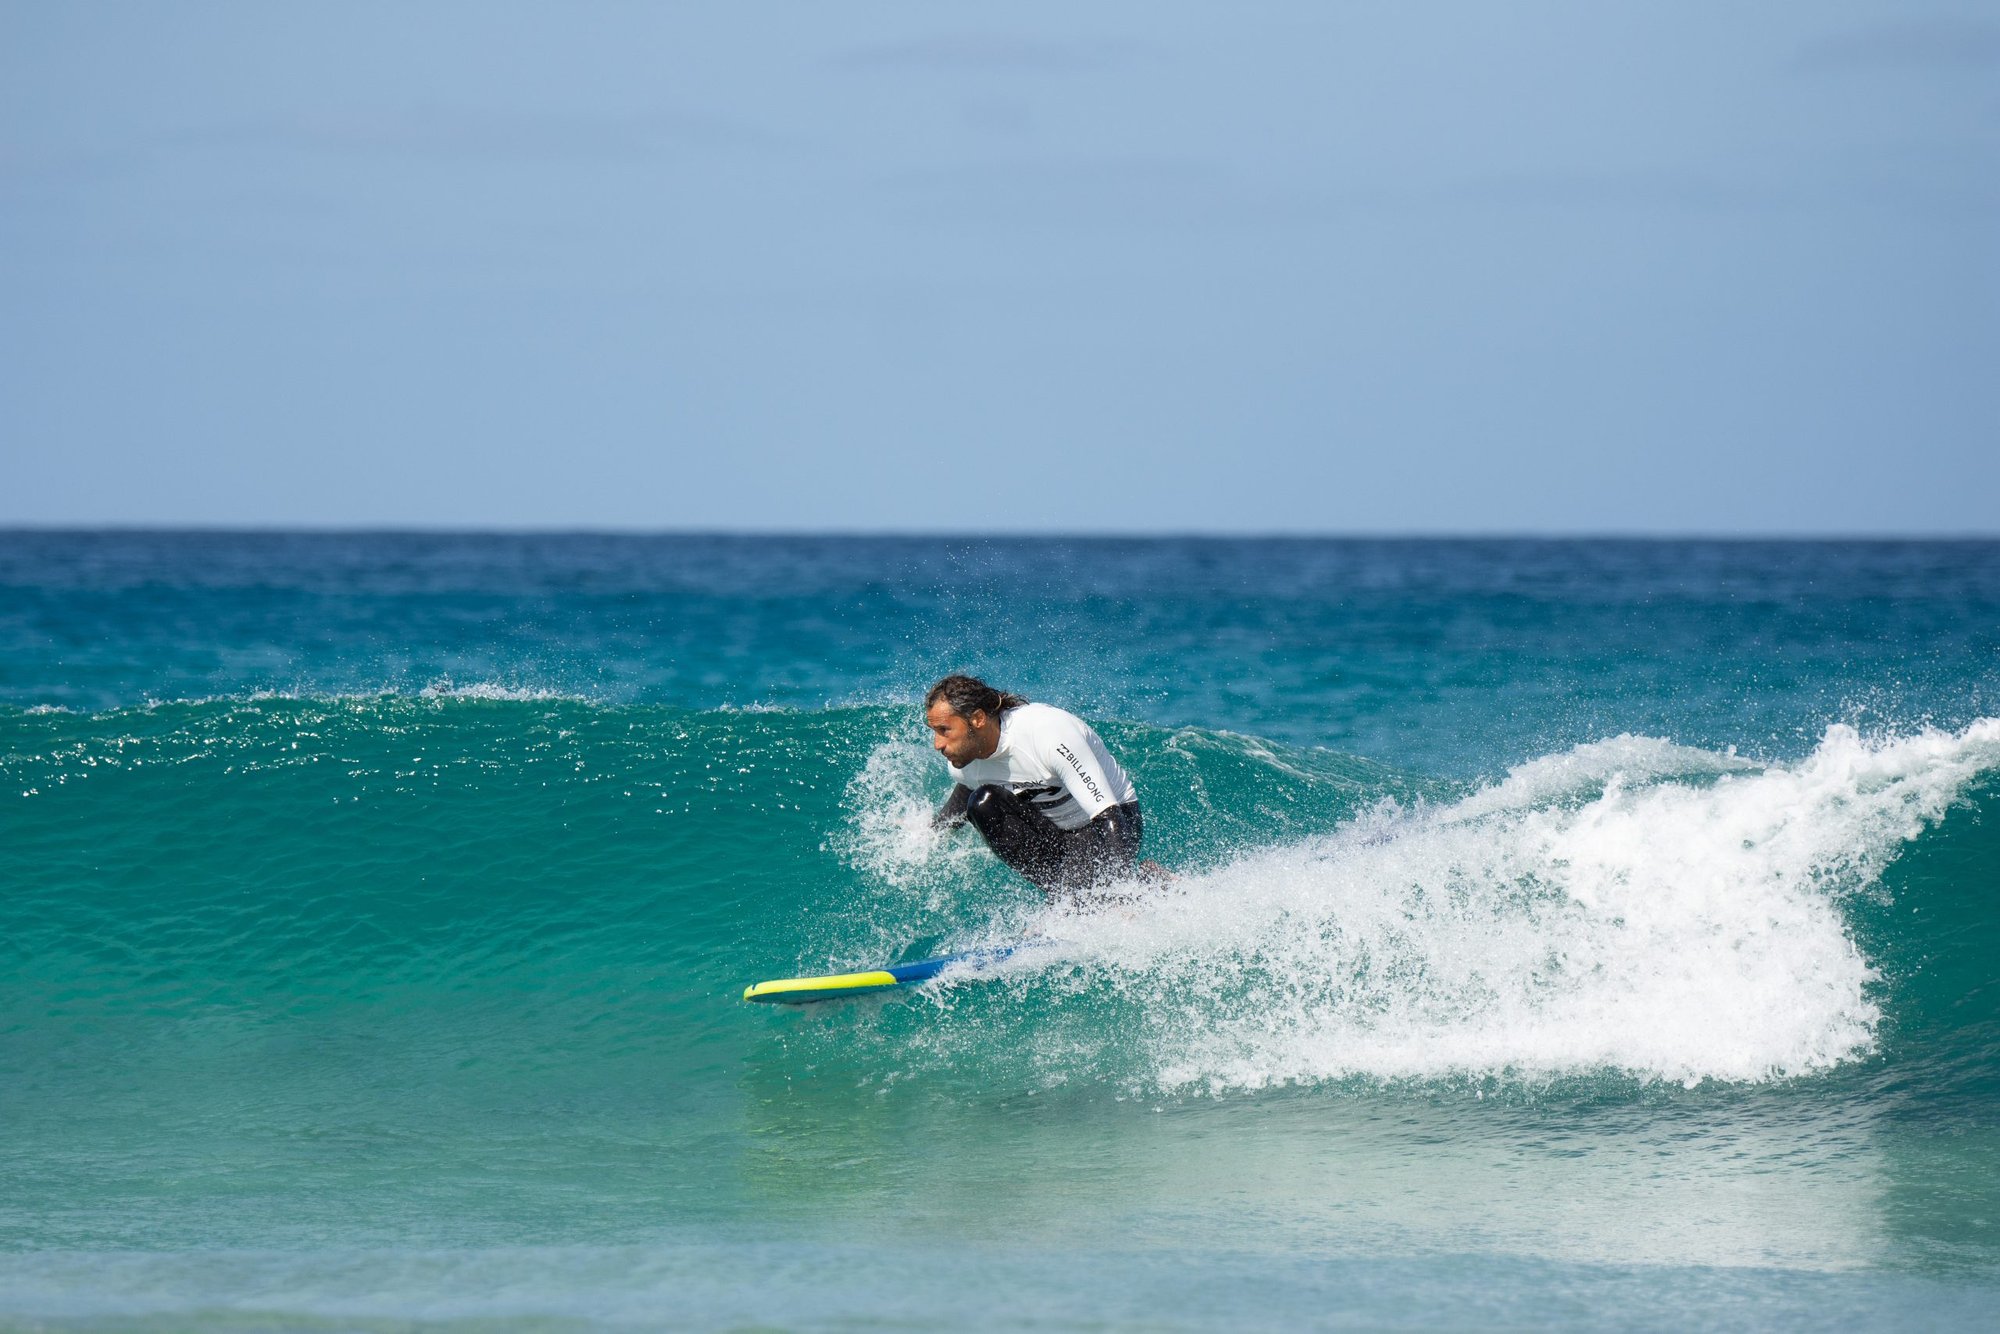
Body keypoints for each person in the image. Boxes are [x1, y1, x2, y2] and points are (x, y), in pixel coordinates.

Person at [924, 673, 1146, 900]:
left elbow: (1108, 815)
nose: (937, 744)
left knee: (1098, 905)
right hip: (1056, 831)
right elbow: (968, 790)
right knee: (983, 804)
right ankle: (1063, 898)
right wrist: (931, 833)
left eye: (944, 730)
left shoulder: (1047, 734)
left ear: (978, 719)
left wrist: (1121, 890)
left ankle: (1141, 884)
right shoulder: (963, 762)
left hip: (1111, 823)